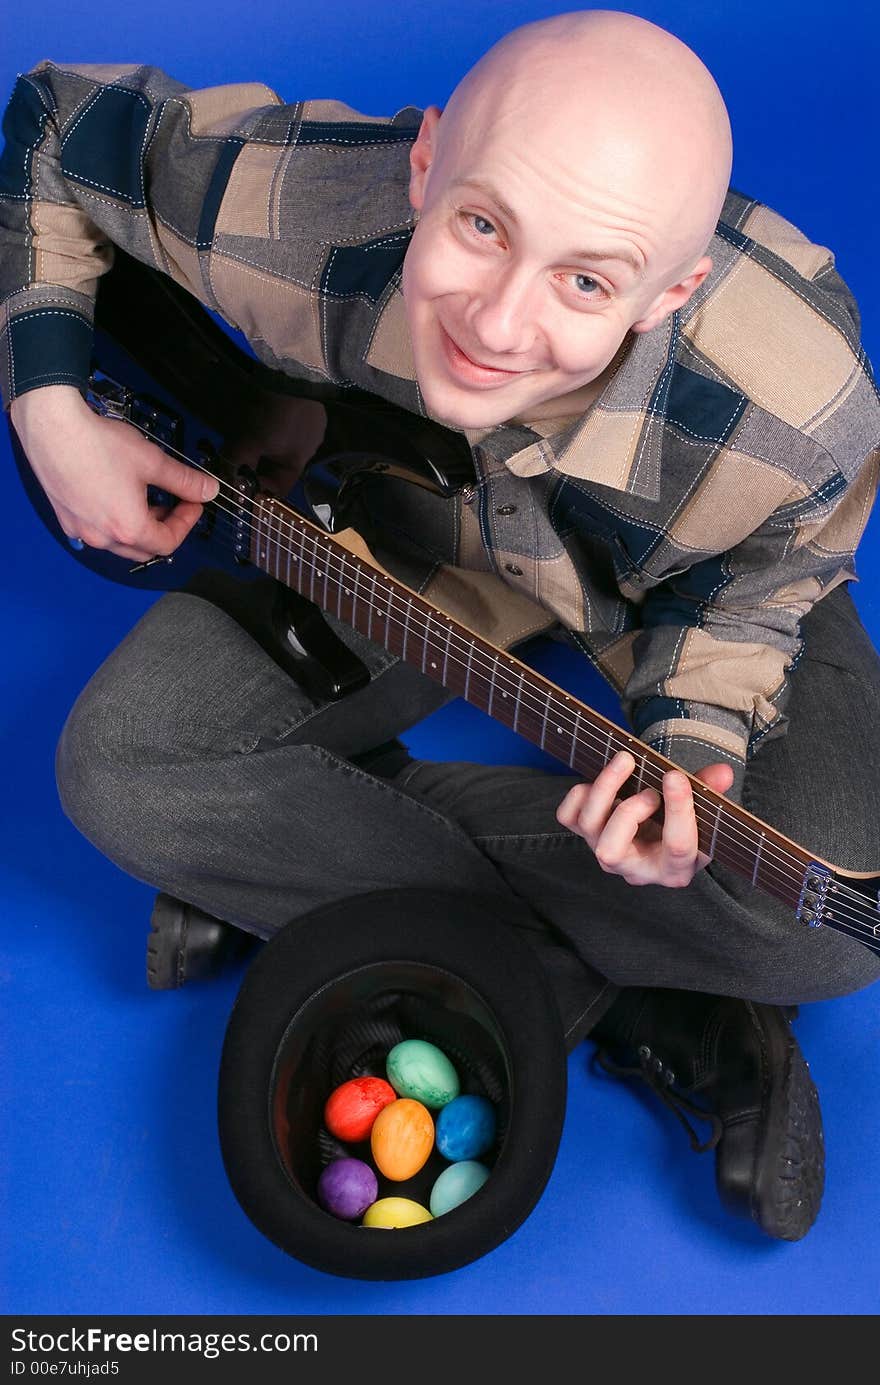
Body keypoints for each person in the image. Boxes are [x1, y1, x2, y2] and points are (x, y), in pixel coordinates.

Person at [3, 10, 879, 1244]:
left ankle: (327, 885)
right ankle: (663, 1001)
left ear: (674, 288)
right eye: (479, 226)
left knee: (833, 920)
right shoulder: (298, 206)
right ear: (421, 167)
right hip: (384, 531)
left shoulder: (800, 406)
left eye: (585, 279)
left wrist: (689, 743)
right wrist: (45, 394)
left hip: (662, 590)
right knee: (122, 772)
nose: (499, 324)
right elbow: (48, 121)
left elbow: (767, 574)